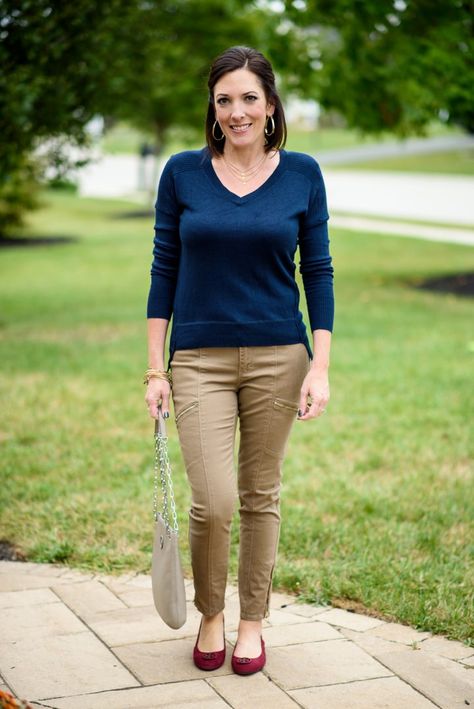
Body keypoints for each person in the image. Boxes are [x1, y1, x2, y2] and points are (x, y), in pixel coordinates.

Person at [144, 46, 334, 676]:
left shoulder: (303, 173)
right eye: (224, 99)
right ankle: (211, 613)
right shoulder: (182, 173)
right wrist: (155, 369)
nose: (236, 111)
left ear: (271, 105)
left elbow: (319, 271)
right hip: (198, 358)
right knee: (215, 500)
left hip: (281, 355)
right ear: (213, 107)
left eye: (249, 97)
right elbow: (164, 267)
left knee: (261, 494)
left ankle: (252, 621)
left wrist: (320, 364)